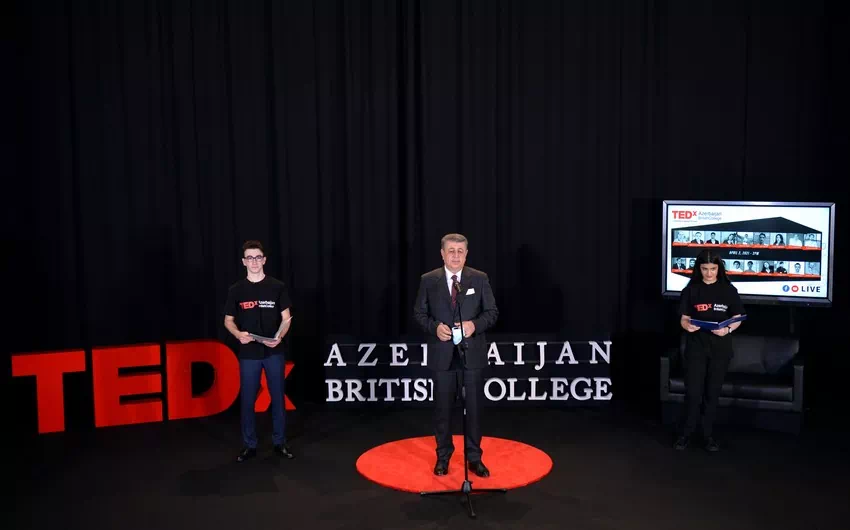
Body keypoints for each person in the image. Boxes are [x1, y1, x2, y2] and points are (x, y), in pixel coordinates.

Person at [413, 233, 499, 477]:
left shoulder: (479, 279)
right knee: (442, 410)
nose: (455, 255)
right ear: (442, 254)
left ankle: (474, 458)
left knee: (474, 409)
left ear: (466, 254)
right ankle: (443, 457)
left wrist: (474, 325)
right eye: (451, 250)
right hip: (442, 356)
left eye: (460, 251)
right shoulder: (429, 280)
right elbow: (419, 313)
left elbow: (491, 312)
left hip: (472, 354)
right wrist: (434, 328)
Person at [224, 240, 294, 462]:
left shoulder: (277, 286)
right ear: (244, 261)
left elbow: (286, 318)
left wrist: (279, 337)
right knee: (247, 399)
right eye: (249, 258)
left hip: (274, 351)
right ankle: (249, 444)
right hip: (249, 353)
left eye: (257, 257)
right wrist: (238, 334)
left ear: (264, 260)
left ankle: (280, 442)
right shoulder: (236, 290)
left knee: (278, 397)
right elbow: (228, 320)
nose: (254, 261)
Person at [674, 249, 744, 452]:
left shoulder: (728, 290)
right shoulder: (691, 290)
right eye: (705, 269)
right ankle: (686, 434)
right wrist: (686, 326)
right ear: (699, 269)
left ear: (719, 269)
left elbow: (738, 317)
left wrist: (728, 329)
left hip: (720, 348)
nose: (709, 273)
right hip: (696, 346)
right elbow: (684, 317)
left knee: (712, 393)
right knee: (693, 393)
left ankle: (708, 435)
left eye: (713, 269)